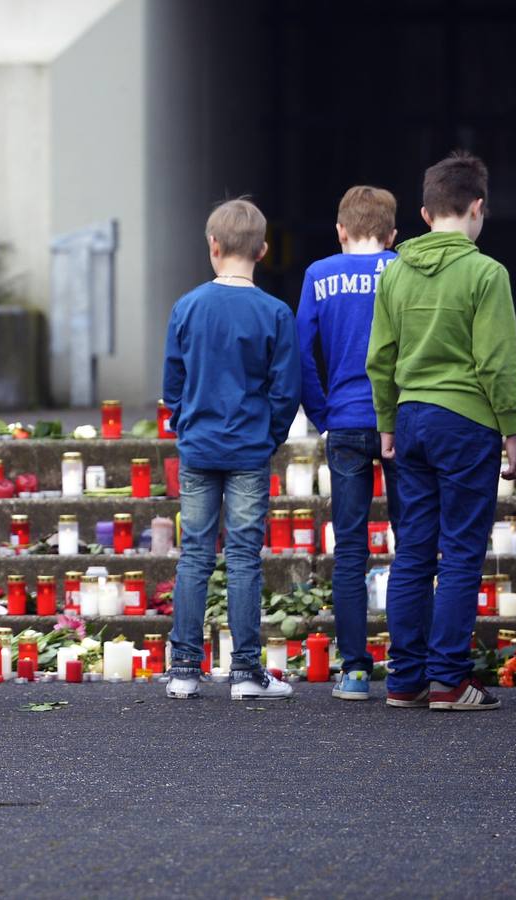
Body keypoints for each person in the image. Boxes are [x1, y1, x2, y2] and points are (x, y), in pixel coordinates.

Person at [366, 151, 516, 711]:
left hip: (409, 420)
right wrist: (512, 432)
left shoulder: (396, 273)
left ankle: (405, 680)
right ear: (477, 208)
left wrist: (387, 422)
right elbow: (497, 363)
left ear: (426, 214)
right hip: (467, 421)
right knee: (459, 552)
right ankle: (449, 681)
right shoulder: (487, 273)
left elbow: (379, 358)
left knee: (412, 551)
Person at [162, 198, 301, 701]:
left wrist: (184, 422)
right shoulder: (275, 312)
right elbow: (286, 389)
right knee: (244, 556)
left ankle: (183, 669)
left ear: (212, 246)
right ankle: (244, 671)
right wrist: (271, 436)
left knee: (194, 554)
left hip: (198, 447)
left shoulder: (188, 306)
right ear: (263, 250)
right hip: (248, 448)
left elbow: (172, 382)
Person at [295, 186, 399, 701]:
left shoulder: (319, 275)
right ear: (393, 234)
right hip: (401, 422)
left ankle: (356, 670)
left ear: (340, 231)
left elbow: (300, 356)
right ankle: (408, 666)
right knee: (415, 544)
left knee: (352, 549)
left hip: (346, 421)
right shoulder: (403, 270)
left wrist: (323, 415)